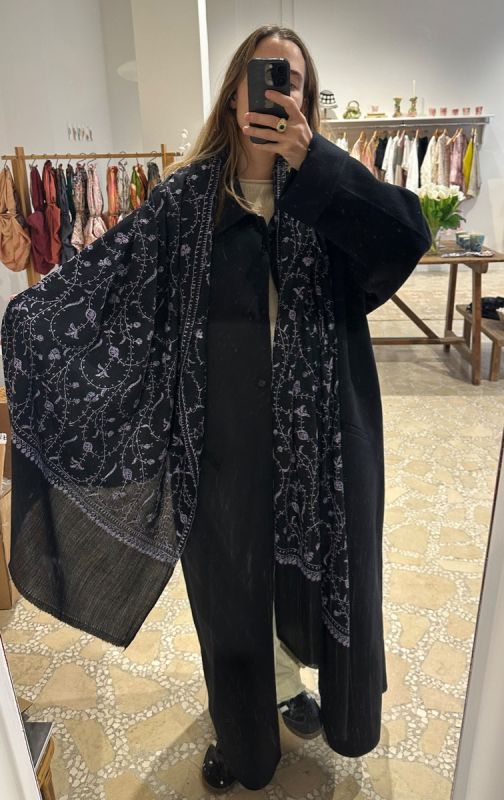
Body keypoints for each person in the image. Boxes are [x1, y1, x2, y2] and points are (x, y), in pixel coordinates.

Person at [1, 24, 431, 796]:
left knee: (318, 575)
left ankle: (297, 689)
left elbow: (407, 238)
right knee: (234, 592)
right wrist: (27, 322)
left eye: (291, 82)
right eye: (263, 78)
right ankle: (245, 733)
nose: (275, 94)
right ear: (234, 93)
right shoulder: (186, 201)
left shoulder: (331, 191)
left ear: (306, 100)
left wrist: (315, 162)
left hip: (327, 441)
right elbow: (108, 284)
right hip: (222, 445)